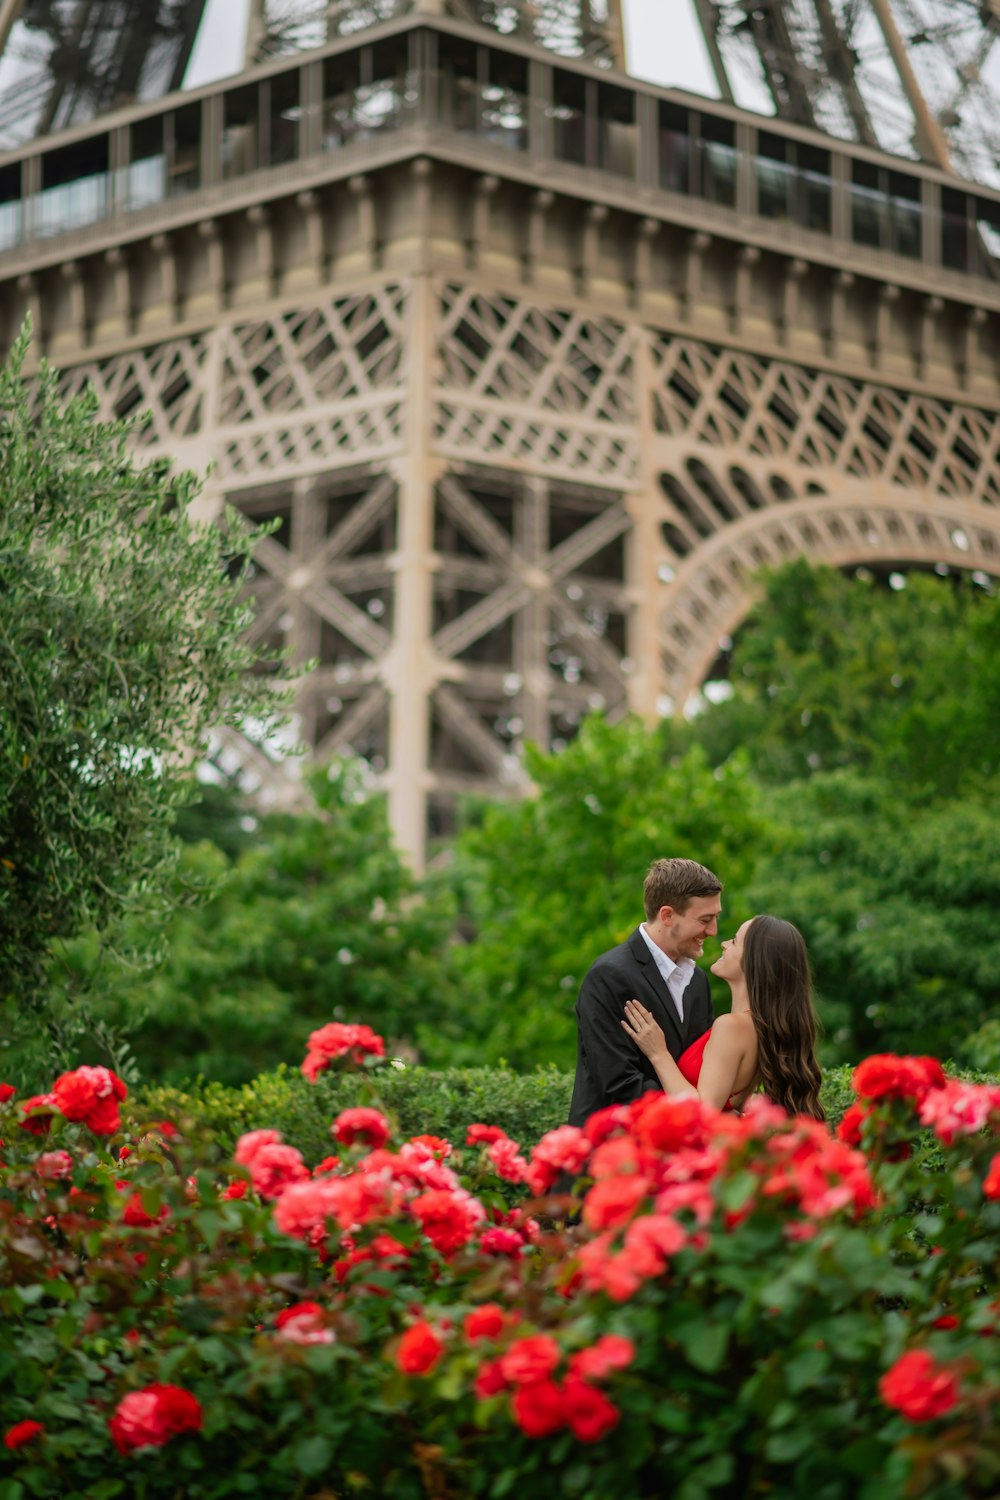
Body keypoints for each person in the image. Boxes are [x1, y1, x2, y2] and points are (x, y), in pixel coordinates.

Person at [567, 858, 723, 1127]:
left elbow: (700, 1071)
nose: (713, 931)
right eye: (705, 920)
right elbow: (619, 1083)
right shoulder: (609, 976)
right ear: (667, 915)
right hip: (612, 1151)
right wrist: (691, 1116)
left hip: (675, 1151)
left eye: (715, 918)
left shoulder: (697, 980)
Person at [621, 914, 824, 1119]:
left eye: (735, 941)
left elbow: (703, 1112)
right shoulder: (759, 1026)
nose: (725, 944)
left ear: (754, 961)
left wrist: (658, 1054)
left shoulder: (731, 1026)